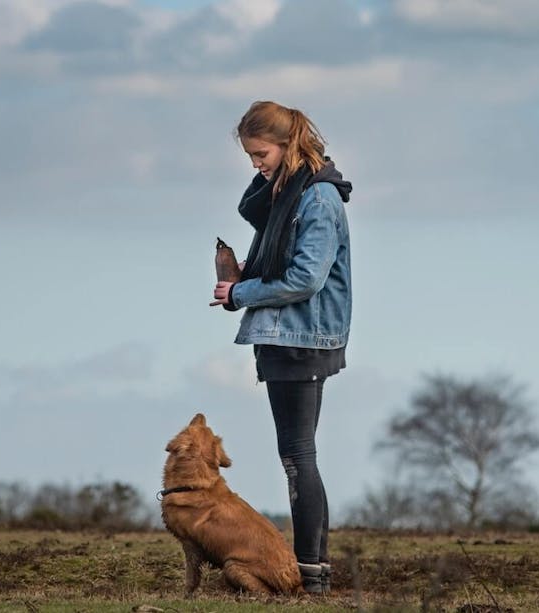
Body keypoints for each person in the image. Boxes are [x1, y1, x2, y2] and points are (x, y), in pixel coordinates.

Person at [209, 100, 352, 595]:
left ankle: (310, 573)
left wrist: (241, 293)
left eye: (260, 153)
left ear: (288, 143)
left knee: (297, 455)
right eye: (249, 157)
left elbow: (306, 279)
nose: (255, 164)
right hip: (286, 336)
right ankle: (314, 570)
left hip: (303, 338)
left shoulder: (316, 200)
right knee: (297, 454)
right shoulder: (287, 195)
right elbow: (280, 261)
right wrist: (242, 278)